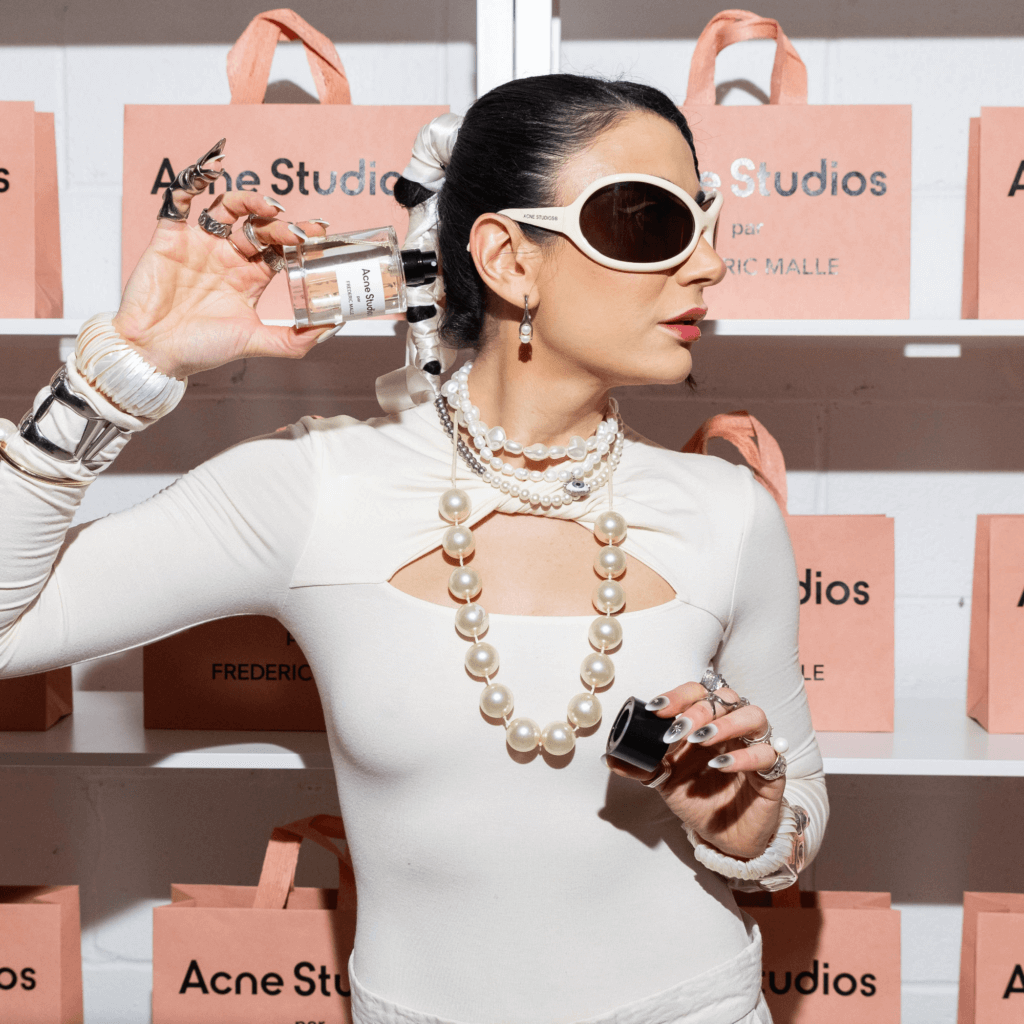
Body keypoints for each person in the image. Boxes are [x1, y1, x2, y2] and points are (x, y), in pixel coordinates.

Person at [0, 74, 826, 1024]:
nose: (710, 265)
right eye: (653, 222)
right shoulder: (317, 486)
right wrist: (128, 368)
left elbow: (796, 817)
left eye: (708, 218)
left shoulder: (729, 512)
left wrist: (754, 826)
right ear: (510, 260)